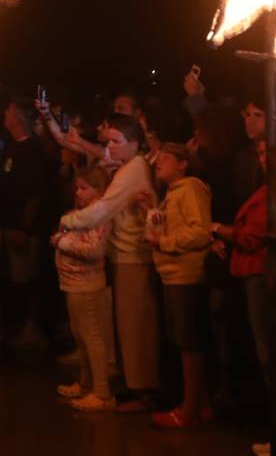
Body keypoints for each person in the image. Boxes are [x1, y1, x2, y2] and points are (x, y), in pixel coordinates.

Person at [212, 131, 276, 455]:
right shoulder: (274, 186)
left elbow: (253, 235)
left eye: (271, 152)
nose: (263, 159)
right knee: (275, 356)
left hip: (265, 275)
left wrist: (217, 230)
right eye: (259, 153)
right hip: (257, 273)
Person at [57, 113, 161, 412]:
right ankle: (134, 386)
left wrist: (67, 222)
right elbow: (102, 155)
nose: (110, 147)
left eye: (117, 141)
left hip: (133, 257)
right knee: (127, 326)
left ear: (134, 143)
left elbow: (101, 210)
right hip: (126, 256)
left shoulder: (133, 170)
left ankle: (142, 392)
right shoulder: (131, 164)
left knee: (135, 327)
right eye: (110, 140)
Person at [143, 142, 213, 429]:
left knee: (189, 344)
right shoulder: (171, 194)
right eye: (158, 158)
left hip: (185, 274)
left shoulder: (190, 188)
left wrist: (165, 243)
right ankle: (201, 405)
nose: (159, 162)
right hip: (172, 274)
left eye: (167, 158)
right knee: (184, 342)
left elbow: (200, 231)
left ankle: (189, 411)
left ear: (184, 163)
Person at [52, 165, 116, 412]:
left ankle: (101, 392)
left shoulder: (98, 216)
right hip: (73, 281)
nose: (77, 192)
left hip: (87, 282)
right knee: (81, 335)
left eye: (83, 188)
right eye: (76, 187)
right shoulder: (82, 213)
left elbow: (95, 249)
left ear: (98, 190)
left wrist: (63, 242)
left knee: (91, 337)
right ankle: (85, 382)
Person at [0, 97, 49, 352]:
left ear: (17, 118)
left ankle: (33, 331)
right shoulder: (11, 146)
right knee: (15, 280)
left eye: (8, 110)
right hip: (8, 225)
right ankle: (19, 329)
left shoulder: (32, 150)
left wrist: (24, 228)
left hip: (23, 229)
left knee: (27, 279)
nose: (4, 114)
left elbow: (34, 194)